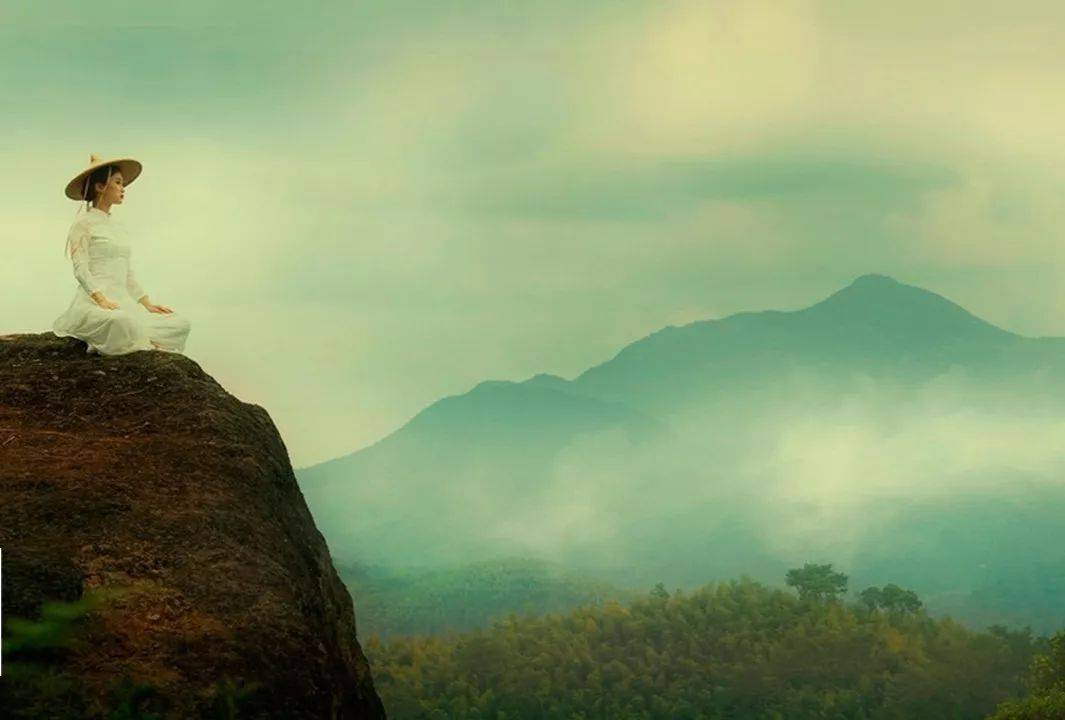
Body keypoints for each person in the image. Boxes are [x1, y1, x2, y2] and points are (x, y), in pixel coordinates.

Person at [52, 154, 191, 355]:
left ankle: (138, 338)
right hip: (94, 303)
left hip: (122, 301)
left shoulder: (118, 227)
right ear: (100, 187)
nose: (122, 188)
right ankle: (129, 338)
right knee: (120, 321)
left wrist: (147, 304)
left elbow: (127, 272)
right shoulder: (83, 224)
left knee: (180, 324)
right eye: (117, 182)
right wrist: (101, 301)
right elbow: (80, 269)